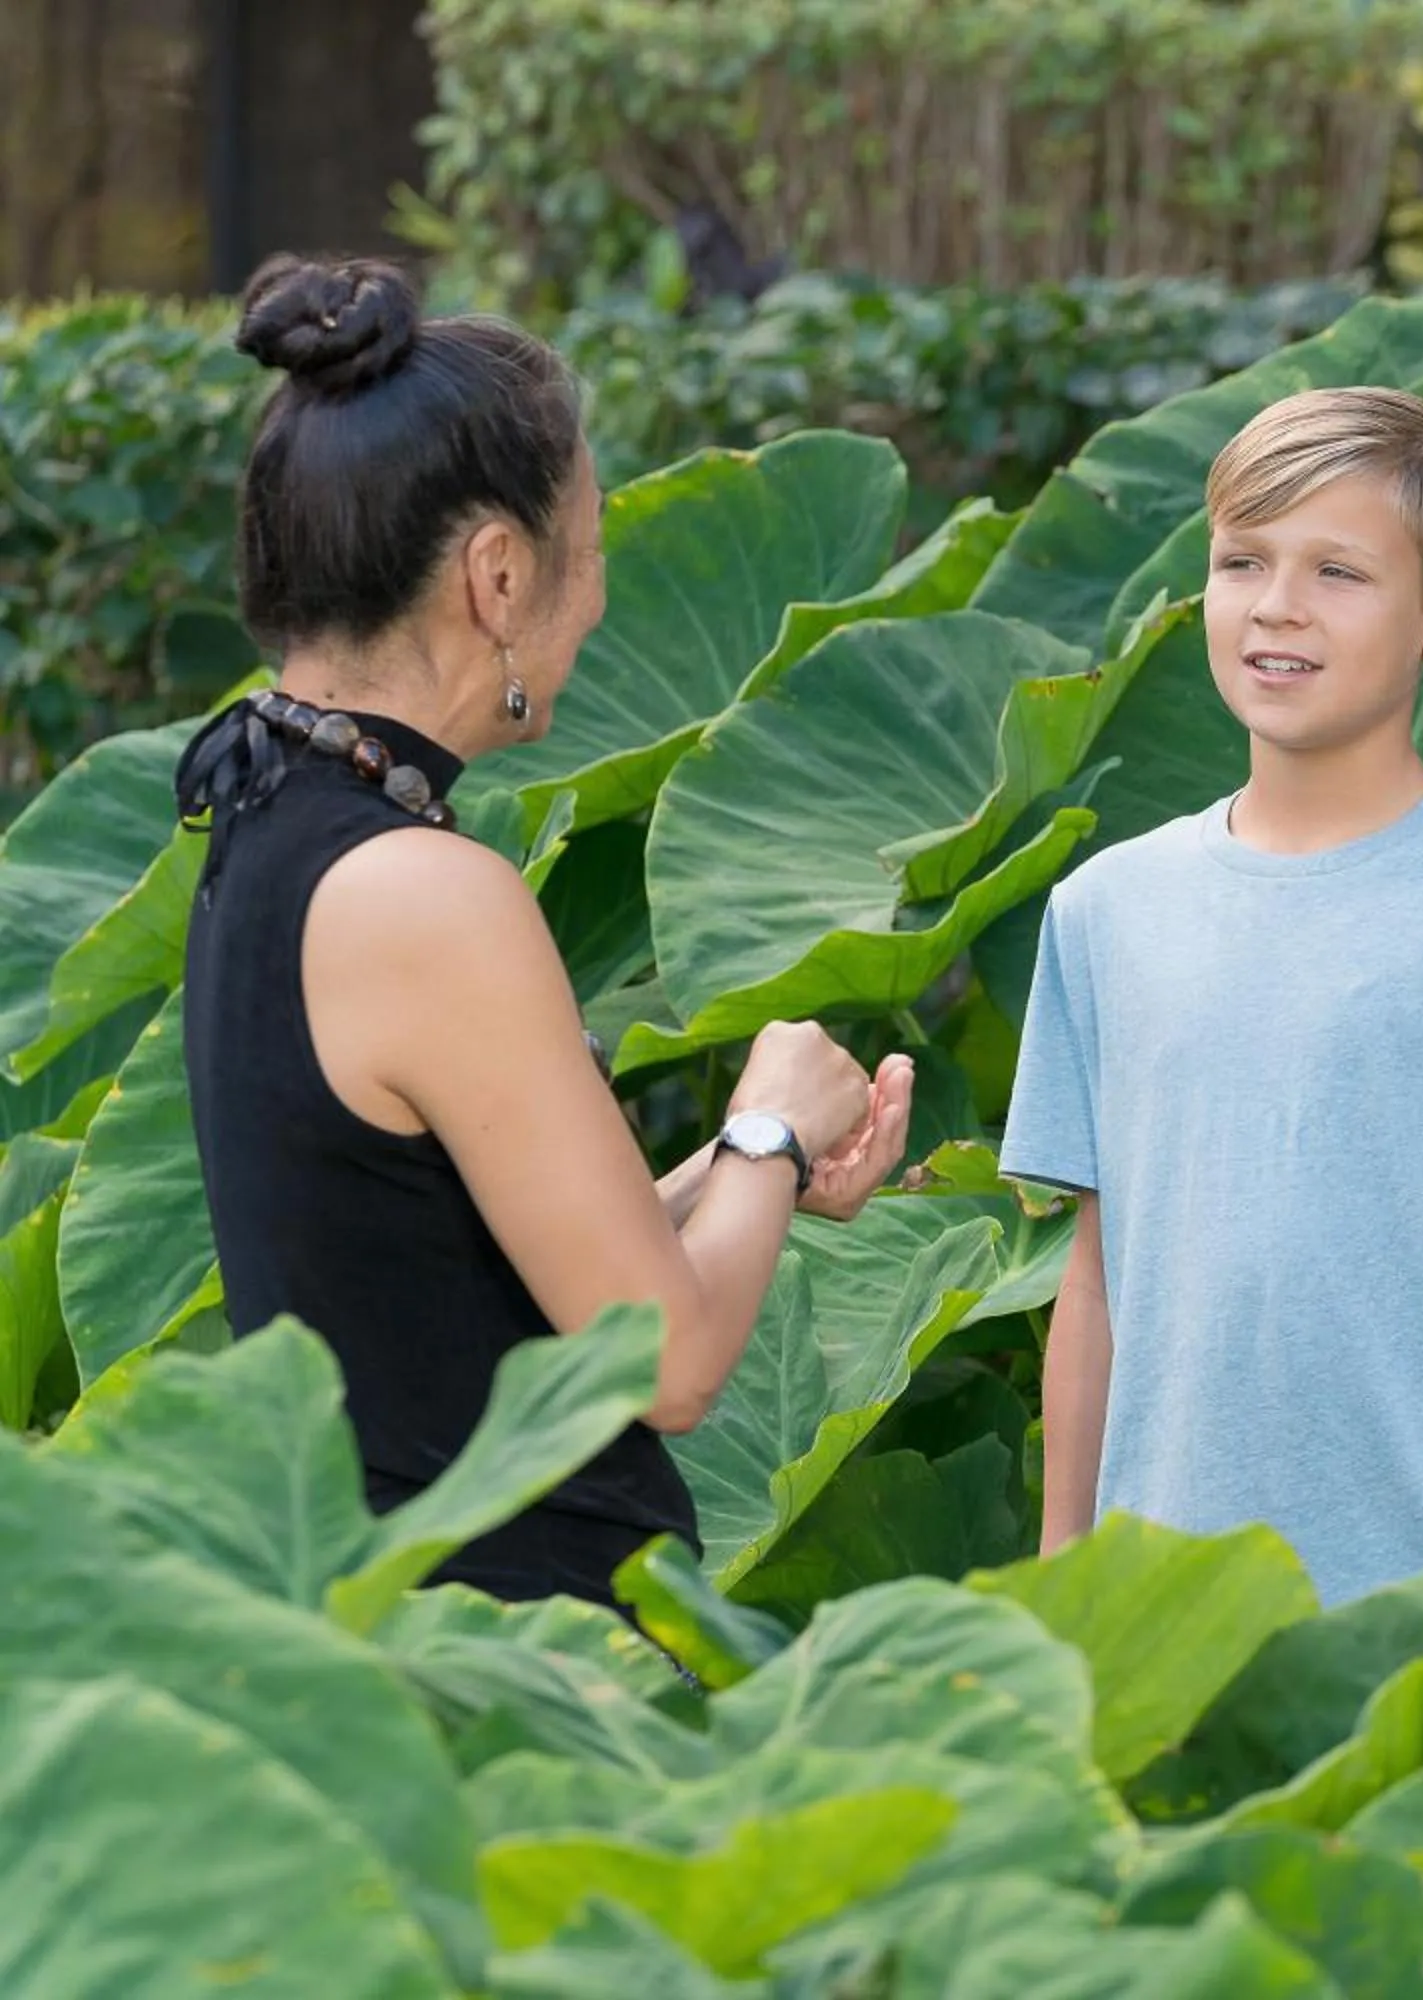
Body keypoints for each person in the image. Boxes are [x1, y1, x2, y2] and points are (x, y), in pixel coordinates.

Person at [175, 256, 915, 1609]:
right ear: (499, 576)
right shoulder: (422, 890)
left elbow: (457, 1258)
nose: (600, 599)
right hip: (516, 1654)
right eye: (593, 553)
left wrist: (763, 1174)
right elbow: (667, 1363)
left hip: (393, 1615)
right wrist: (764, 1120)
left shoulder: (266, 810)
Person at [999, 387, 1423, 1655]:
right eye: (1241, 560)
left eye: (1339, 570)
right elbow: (1094, 1284)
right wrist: (1063, 1576)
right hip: (1166, 1622)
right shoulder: (1104, 911)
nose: (1276, 606)